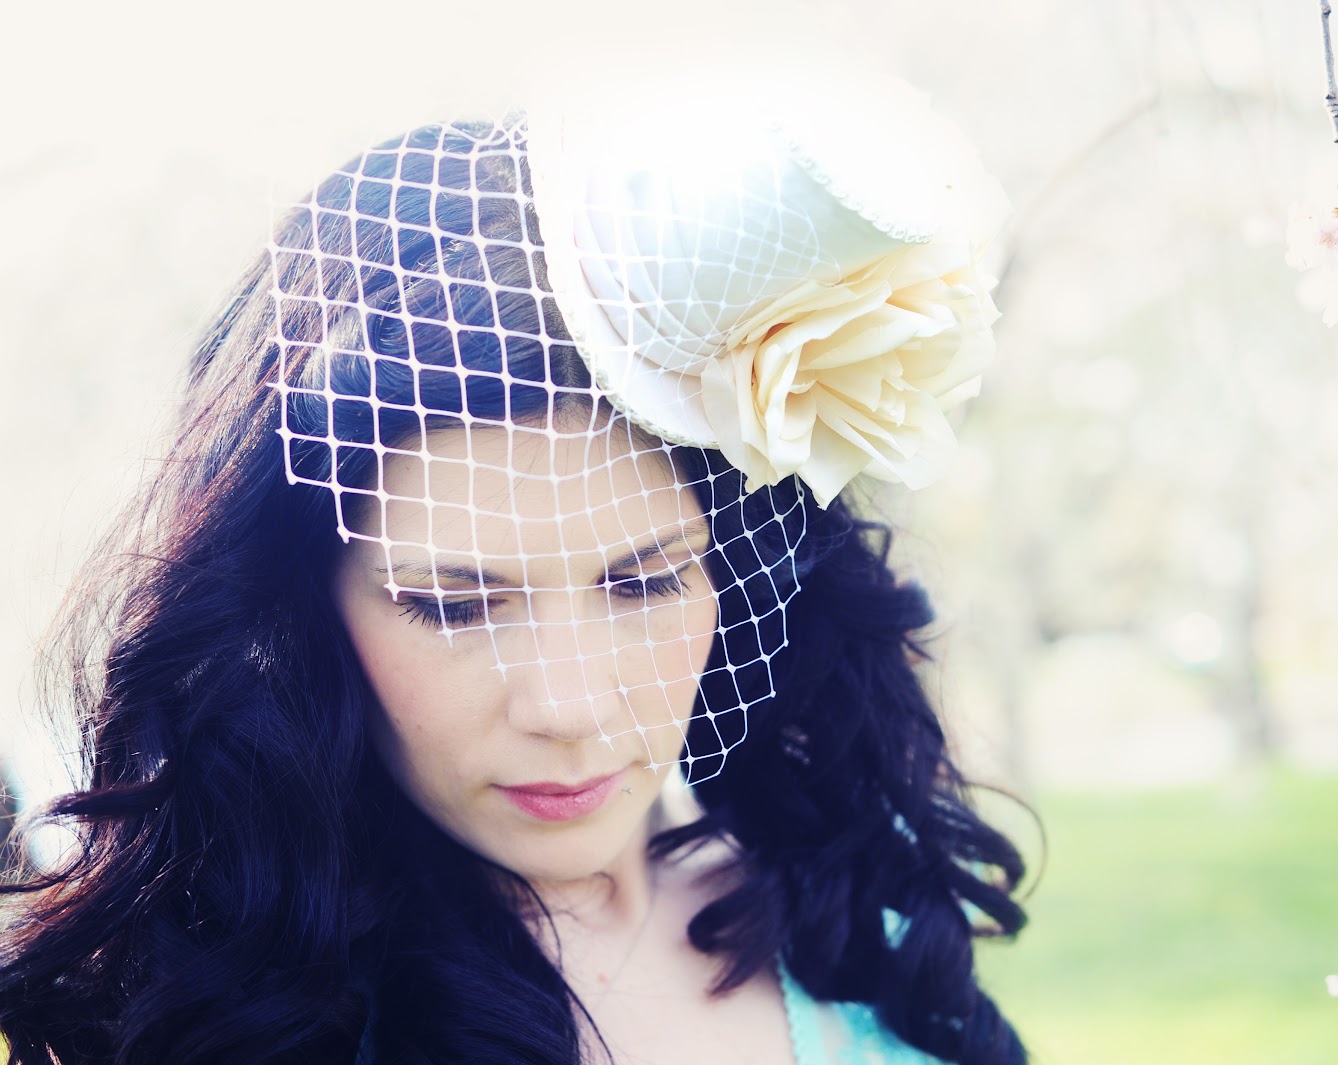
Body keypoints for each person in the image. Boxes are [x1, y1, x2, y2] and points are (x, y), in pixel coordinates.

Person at [0, 70, 1028, 1065]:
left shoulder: (856, 918)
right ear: (301, 611)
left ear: (747, 573)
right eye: (453, 605)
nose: (569, 707)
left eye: (643, 582)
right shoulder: (239, 1019)